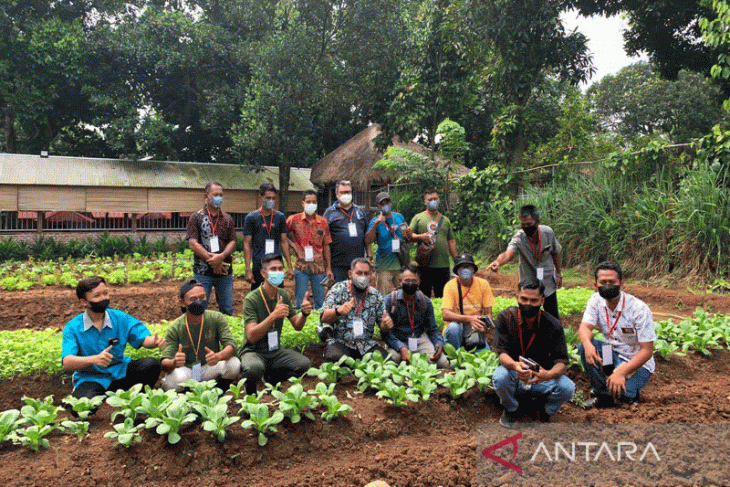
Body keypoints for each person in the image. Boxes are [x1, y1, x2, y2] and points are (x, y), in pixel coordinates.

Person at [61, 276, 165, 403]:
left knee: (151, 364)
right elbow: (67, 362)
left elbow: (142, 338)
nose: (104, 298)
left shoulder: (120, 318)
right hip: (91, 378)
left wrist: (154, 342)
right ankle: (98, 395)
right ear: (84, 302)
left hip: (120, 372)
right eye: (97, 296)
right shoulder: (73, 327)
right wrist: (94, 359)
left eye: (106, 293)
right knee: (81, 408)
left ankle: (138, 402)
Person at [492, 280, 574, 428]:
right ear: (517, 298)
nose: (528, 304)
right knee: (500, 377)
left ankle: (545, 412)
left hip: (540, 378)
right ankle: (511, 409)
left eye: (533, 300)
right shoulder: (505, 318)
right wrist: (515, 365)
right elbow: (502, 353)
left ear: (542, 301)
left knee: (567, 387)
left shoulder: (553, 325)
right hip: (514, 374)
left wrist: (547, 375)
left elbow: (562, 362)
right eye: (524, 299)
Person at [578, 261, 655, 408]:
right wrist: (588, 346)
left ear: (621, 284)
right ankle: (602, 392)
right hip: (610, 353)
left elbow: (647, 351)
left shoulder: (638, 309)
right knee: (584, 347)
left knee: (622, 395)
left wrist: (621, 372)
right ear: (595, 285)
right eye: (603, 282)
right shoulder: (595, 300)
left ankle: (622, 392)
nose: (607, 285)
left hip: (637, 362)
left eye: (612, 282)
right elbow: (585, 327)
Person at [240, 253, 313, 395]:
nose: (278, 272)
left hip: (275, 352)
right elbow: (251, 336)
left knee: (304, 365)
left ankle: (272, 379)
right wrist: (273, 316)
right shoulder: (251, 299)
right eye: (273, 269)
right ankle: (250, 392)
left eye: (281, 269)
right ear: (263, 273)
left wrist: (304, 313)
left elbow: (297, 326)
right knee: (253, 368)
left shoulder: (283, 295)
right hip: (254, 351)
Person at [160, 278, 240, 392]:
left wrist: (218, 356)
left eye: (202, 297)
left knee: (234, 364)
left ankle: (220, 390)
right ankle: (187, 394)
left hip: (209, 366)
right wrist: (174, 362)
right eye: (193, 299)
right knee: (171, 383)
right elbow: (164, 363)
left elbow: (231, 345)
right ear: (182, 303)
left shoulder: (216, 318)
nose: (199, 302)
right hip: (188, 370)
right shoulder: (176, 327)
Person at [488, 204, 563, 319]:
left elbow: (555, 252)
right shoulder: (519, 238)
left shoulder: (548, 233)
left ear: (537, 221)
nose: (526, 227)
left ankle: (554, 336)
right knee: (528, 313)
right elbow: (508, 254)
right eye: (523, 225)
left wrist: (558, 274)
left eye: (529, 224)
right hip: (529, 281)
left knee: (552, 314)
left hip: (547, 278)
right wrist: (498, 262)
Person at [319, 257, 393, 361]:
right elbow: (324, 317)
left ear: (371, 275)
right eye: (359, 273)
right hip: (341, 342)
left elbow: (382, 324)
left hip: (366, 344)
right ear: (350, 274)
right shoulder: (338, 289)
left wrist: (385, 325)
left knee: (386, 361)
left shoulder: (375, 295)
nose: (363, 277)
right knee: (336, 358)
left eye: (366, 273)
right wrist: (338, 311)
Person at [382, 264, 449, 368]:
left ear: (419, 282)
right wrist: (401, 347)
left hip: (419, 338)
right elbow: (386, 333)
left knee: (442, 362)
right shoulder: (390, 300)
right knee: (393, 359)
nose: (410, 284)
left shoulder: (425, 301)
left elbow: (433, 329)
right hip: (397, 339)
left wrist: (439, 344)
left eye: (414, 281)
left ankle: (416, 358)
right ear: (400, 281)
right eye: (407, 280)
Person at [186, 181, 237, 315]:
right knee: (200, 308)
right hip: (202, 272)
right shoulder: (196, 218)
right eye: (215, 194)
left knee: (227, 309)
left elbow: (233, 241)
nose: (219, 197)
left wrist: (221, 257)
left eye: (221, 195)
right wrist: (213, 261)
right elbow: (193, 243)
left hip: (224, 271)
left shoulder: (228, 219)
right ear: (206, 196)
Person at [402, 189, 457, 298]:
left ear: (439, 200)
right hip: (424, 265)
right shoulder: (418, 218)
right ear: (425, 202)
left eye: (435, 199)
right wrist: (420, 237)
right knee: (423, 295)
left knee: (443, 296)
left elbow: (451, 241)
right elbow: (408, 236)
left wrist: (457, 260)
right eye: (430, 199)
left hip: (443, 265)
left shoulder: (445, 220)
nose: (433, 201)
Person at [286, 189, 334, 310]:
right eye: (308, 201)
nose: (311, 204)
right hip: (301, 266)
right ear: (303, 203)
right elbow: (282, 236)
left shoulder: (323, 222)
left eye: (314, 202)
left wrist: (328, 268)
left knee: (320, 302)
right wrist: (293, 246)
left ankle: (319, 324)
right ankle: (299, 325)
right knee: (300, 301)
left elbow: (326, 245)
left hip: (318, 267)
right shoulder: (294, 219)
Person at [243, 183, 293, 290]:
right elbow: (247, 243)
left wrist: (289, 266)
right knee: (258, 296)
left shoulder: (280, 217)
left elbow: (284, 241)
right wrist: (247, 269)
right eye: (268, 198)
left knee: (278, 294)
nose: (271, 200)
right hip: (259, 264)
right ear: (261, 197)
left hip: (276, 264)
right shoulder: (251, 217)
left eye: (273, 198)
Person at [442, 254, 495, 351]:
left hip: (474, 330)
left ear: (474, 270)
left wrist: (485, 327)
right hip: (456, 329)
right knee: (454, 328)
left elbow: (488, 313)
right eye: (462, 267)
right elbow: (445, 314)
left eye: (468, 266)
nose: (465, 269)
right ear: (457, 270)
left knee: (485, 359)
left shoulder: (483, 284)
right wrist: (469, 319)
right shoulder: (450, 286)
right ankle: (455, 357)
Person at [322, 180, 370, 283]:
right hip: (338, 266)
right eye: (343, 192)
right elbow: (325, 242)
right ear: (337, 194)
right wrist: (328, 268)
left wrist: (369, 257)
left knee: (359, 293)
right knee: (340, 295)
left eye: (348, 192)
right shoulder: (329, 213)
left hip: (358, 265)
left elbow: (367, 237)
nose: (346, 195)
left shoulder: (360, 211)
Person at [365, 191, 408, 294]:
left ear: (391, 202)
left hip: (400, 263)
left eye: (387, 202)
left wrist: (408, 233)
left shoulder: (399, 217)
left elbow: (407, 235)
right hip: (383, 266)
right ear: (378, 206)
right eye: (382, 203)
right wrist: (376, 223)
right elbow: (368, 241)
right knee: (383, 295)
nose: (385, 205)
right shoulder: (375, 221)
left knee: (404, 293)